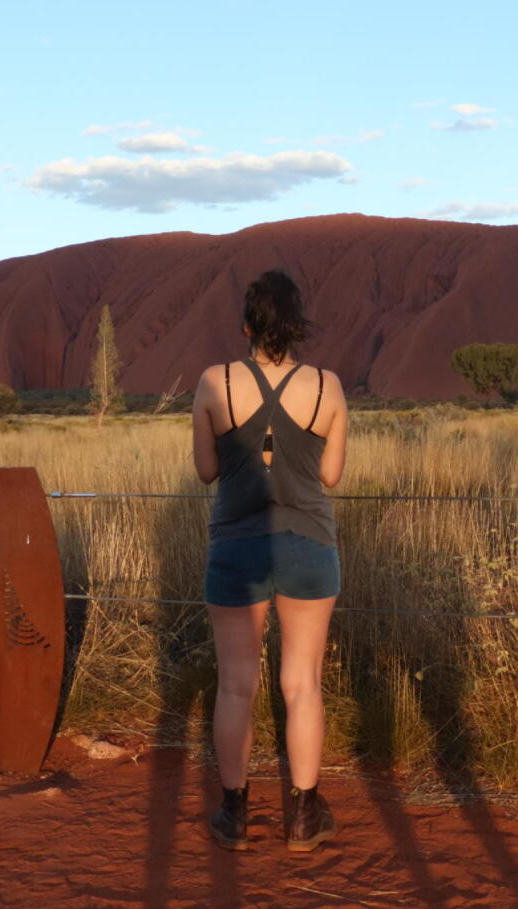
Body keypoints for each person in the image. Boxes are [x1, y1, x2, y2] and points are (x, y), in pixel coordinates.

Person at [189, 269, 348, 852]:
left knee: (236, 685)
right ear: (296, 325)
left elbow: (207, 471)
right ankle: (304, 815)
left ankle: (234, 814)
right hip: (309, 543)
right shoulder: (329, 387)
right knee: (302, 683)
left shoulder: (214, 382)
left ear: (248, 324)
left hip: (236, 546)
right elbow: (330, 475)